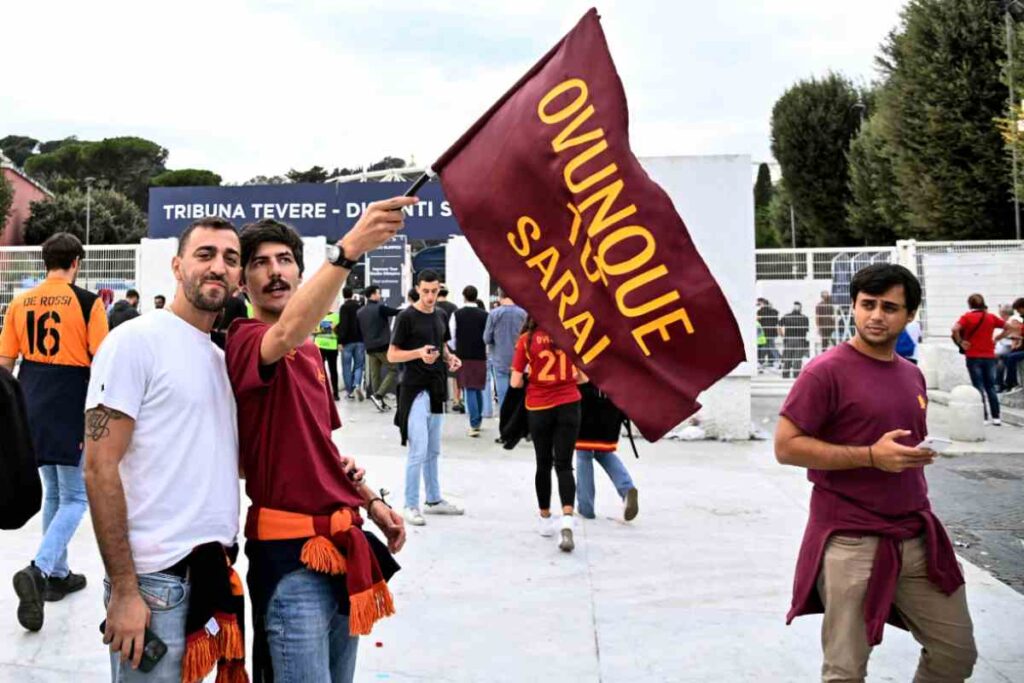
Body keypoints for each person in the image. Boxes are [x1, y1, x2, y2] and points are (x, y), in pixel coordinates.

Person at [225, 210, 409, 683]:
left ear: (302, 275)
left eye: (285, 260)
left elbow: (322, 446)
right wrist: (348, 252)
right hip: (290, 562)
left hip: (343, 549)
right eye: (260, 264)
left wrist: (370, 501)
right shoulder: (245, 340)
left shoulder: (310, 352)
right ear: (243, 283)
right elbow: (283, 333)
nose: (275, 272)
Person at [775, 264, 977, 682]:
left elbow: (898, 444)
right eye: (867, 305)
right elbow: (786, 447)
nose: (876, 316)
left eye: (889, 307)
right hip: (851, 540)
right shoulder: (824, 371)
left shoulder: (911, 374)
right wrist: (870, 456)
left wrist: (911, 458)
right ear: (853, 307)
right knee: (845, 672)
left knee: (955, 654)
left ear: (909, 316)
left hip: (916, 536)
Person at [83, 217, 246, 681]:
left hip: (209, 574)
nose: (218, 267)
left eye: (230, 259)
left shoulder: (220, 358)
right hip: (155, 587)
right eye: (205, 254)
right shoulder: (136, 341)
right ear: (177, 266)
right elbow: (98, 468)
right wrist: (125, 590)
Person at [0, 232, 109, 632]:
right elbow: (103, 359)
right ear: (76, 262)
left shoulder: (20, 300)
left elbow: (5, 361)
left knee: (56, 493)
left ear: (46, 261)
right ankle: (40, 569)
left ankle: (59, 575)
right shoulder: (87, 302)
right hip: (69, 398)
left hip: (29, 397)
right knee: (77, 496)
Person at [388, 270, 465, 527]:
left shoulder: (442, 315)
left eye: (434, 291)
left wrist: (449, 357)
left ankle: (433, 499)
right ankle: (410, 504)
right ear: (418, 289)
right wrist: (418, 353)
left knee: (433, 449)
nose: (430, 296)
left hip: (436, 388)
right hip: (414, 389)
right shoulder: (406, 317)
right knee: (418, 448)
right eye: (425, 291)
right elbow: (392, 355)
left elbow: (442, 346)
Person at [511, 317, 585, 553]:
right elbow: (583, 377)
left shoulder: (526, 339)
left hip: (539, 406)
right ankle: (567, 518)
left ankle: (545, 518)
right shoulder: (571, 335)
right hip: (569, 403)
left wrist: (531, 375)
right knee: (564, 465)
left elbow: (514, 382)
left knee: (543, 463)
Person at [952, 293, 1021, 426]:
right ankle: (996, 418)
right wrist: (998, 338)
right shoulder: (991, 317)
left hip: (973, 356)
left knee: (978, 387)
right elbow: (1011, 327)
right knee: (990, 387)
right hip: (989, 356)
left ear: (970, 304)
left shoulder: (966, 317)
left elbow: (955, 329)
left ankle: (984, 417)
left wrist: (961, 341)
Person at [575, 383, 639, 522]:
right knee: (603, 452)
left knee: (583, 453)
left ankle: (586, 508)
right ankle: (627, 489)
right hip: (612, 402)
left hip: (586, 402)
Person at [451, 285, 489, 437]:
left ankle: (474, 424)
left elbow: (452, 336)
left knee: (469, 389)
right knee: (478, 387)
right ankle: (478, 419)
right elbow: (487, 336)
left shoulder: (457, 314)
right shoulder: (485, 315)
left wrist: (457, 349)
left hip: (463, 356)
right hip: (480, 355)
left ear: (464, 296)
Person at [483, 290, 527, 418]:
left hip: (500, 359)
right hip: (520, 360)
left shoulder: (494, 314)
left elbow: (486, 338)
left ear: (500, 295)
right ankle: (518, 424)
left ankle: (505, 426)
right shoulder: (523, 313)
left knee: (503, 395)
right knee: (519, 394)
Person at [357, 286, 400, 411]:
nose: (379, 295)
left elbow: (359, 330)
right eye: (378, 293)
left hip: (369, 347)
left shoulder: (360, 312)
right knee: (394, 369)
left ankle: (379, 401)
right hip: (382, 346)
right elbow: (396, 312)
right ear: (373, 295)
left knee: (375, 375)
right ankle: (378, 395)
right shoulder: (380, 308)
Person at [435, 287, 461, 413]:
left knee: (439, 372)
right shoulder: (453, 307)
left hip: (435, 342)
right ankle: (456, 399)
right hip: (450, 342)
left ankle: (441, 397)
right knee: (454, 373)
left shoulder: (433, 307)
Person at [337, 286, 366, 401]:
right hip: (360, 340)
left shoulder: (344, 307)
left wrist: (340, 341)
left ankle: (350, 392)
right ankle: (356, 385)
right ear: (352, 294)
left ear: (343, 295)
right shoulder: (359, 306)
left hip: (347, 342)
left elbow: (344, 325)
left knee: (346, 366)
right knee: (359, 365)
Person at [313, 306, 342, 400]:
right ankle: (329, 392)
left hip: (326, 346)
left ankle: (332, 393)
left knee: (328, 371)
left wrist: (321, 329)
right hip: (324, 346)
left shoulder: (335, 316)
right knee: (325, 371)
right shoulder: (335, 317)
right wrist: (329, 327)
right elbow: (313, 330)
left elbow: (314, 331)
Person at [779, 301, 810, 379]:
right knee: (797, 359)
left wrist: (782, 335)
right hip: (800, 340)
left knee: (787, 358)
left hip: (788, 339)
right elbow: (807, 330)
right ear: (800, 308)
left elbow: (779, 326)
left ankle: (785, 374)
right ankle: (796, 375)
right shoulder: (804, 318)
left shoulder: (787, 316)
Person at [756, 298, 780, 368]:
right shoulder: (774, 311)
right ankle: (774, 361)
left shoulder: (760, 312)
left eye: (760, 304)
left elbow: (758, 322)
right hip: (772, 332)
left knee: (766, 347)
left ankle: (761, 362)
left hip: (764, 332)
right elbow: (776, 322)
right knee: (770, 346)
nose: (759, 306)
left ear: (763, 304)